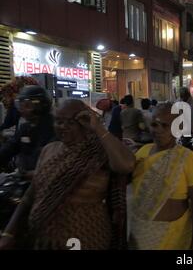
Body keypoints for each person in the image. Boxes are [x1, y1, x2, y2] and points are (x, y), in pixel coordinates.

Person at [0, 99, 135, 250]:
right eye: (58, 121)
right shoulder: (49, 150)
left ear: (84, 122)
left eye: (70, 122)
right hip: (45, 237)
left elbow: (126, 165)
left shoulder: (99, 153)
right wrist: (9, 233)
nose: (62, 127)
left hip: (85, 236)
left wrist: (99, 128)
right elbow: (31, 195)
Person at [129, 103, 193, 250]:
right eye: (154, 124)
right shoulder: (141, 153)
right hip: (140, 236)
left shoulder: (188, 158)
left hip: (173, 238)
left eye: (165, 125)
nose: (158, 130)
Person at [0, 86, 55, 175]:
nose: (22, 110)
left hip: (46, 179)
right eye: (20, 106)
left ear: (41, 105)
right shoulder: (25, 128)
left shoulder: (54, 127)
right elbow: (10, 147)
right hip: (25, 177)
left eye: (27, 106)